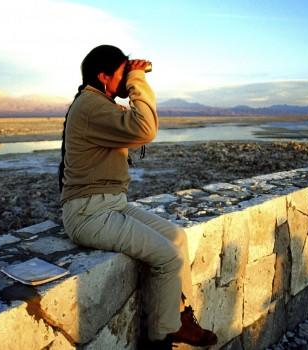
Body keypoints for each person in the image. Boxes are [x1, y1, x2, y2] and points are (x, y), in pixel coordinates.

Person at [58, 44, 217, 348]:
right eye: (121, 73)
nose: (127, 78)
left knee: (177, 238)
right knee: (167, 258)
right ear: (104, 77)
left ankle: (180, 316)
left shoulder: (99, 103)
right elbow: (145, 128)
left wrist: (131, 75)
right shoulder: (91, 107)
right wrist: (137, 79)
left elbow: (139, 123)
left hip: (111, 205)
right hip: (88, 215)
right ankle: (161, 338)